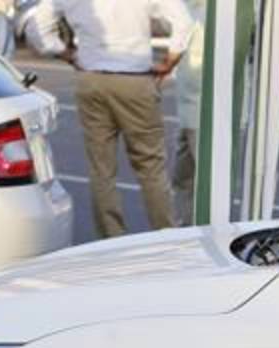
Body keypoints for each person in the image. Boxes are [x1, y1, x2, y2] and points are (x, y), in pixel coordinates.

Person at [27, 0, 194, 238]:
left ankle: (111, 238)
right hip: (135, 80)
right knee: (151, 166)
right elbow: (184, 22)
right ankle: (165, 236)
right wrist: (171, 59)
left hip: (92, 78)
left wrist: (67, 54)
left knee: (101, 168)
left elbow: (37, 28)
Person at [171, 0, 203, 226]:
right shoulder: (189, 7)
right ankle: (185, 228)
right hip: (187, 109)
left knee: (207, 185)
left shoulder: (223, 13)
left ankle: (208, 232)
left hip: (205, 111)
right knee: (183, 178)